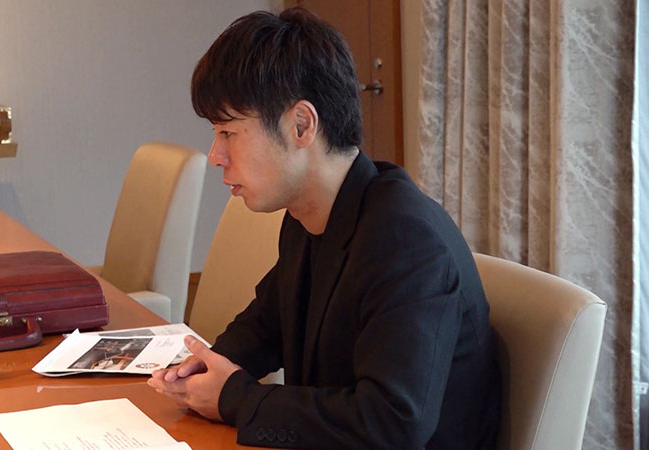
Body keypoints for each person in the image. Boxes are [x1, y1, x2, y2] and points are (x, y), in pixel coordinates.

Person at [148, 8, 500, 449]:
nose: (215, 155)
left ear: (302, 125)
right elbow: (270, 321)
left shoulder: (406, 241)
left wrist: (237, 398)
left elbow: (393, 422)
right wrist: (207, 365)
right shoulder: (311, 213)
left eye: (229, 133)